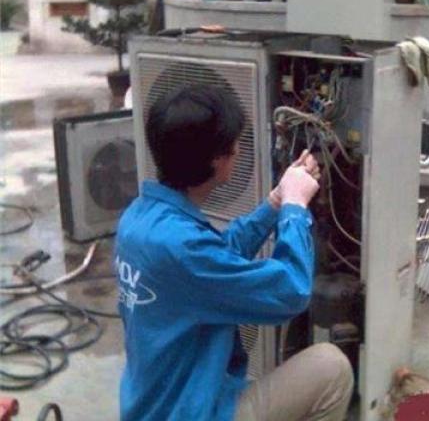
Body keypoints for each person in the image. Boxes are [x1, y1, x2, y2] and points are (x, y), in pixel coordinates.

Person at [114, 84, 354, 421]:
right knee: (332, 368)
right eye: (235, 145)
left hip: (155, 404)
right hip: (191, 413)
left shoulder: (139, 219)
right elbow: (293, 291)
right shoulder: (184, 249)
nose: (239, 150)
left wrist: (275, 203)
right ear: (216, 159)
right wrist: (295, 208)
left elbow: (213, 262)